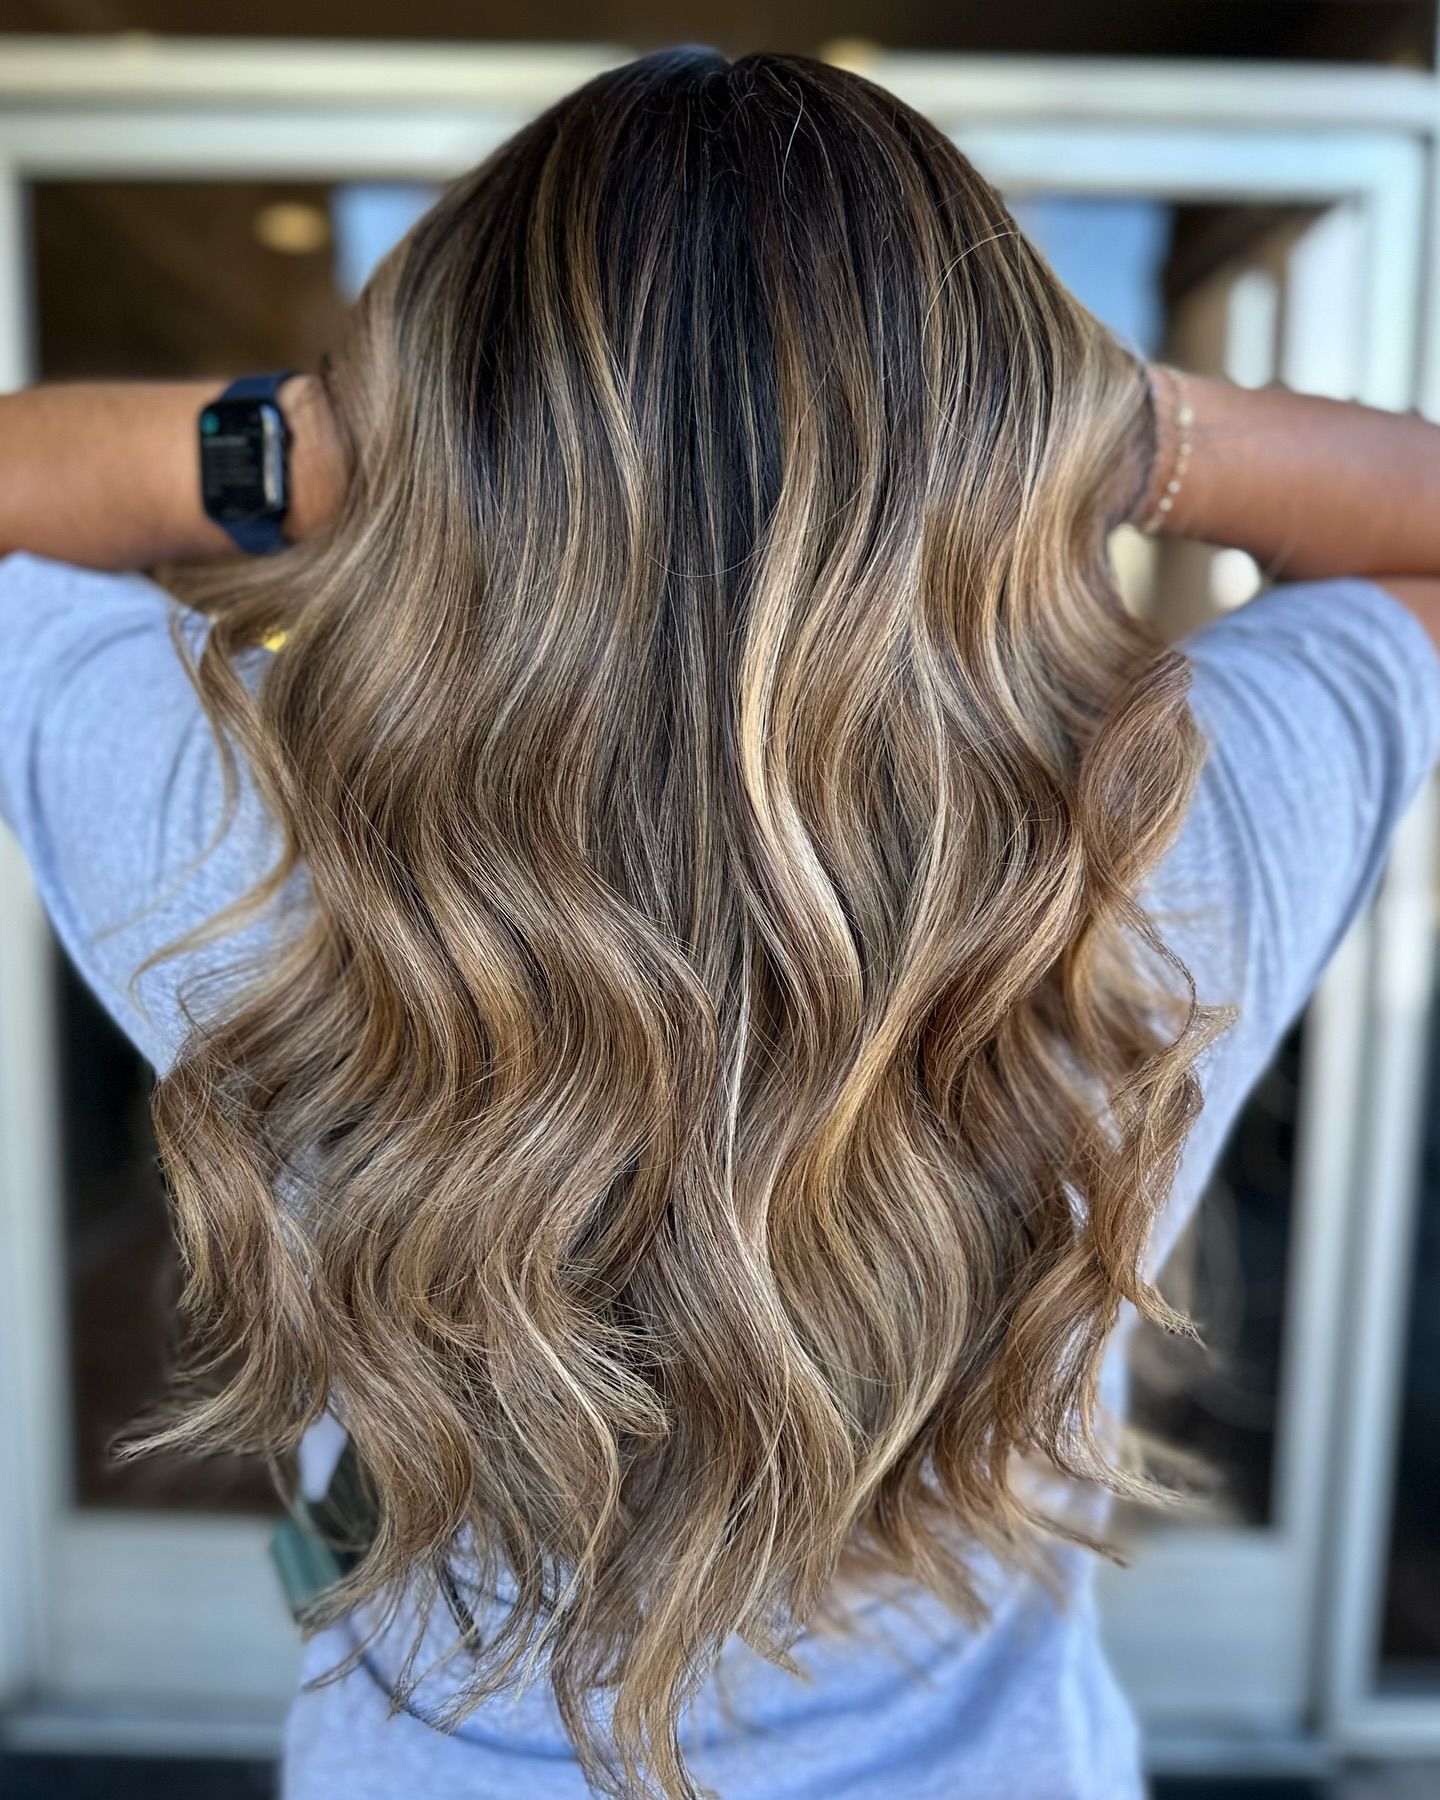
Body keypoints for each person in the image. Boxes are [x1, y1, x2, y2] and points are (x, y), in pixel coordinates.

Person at [3, 45, 1440, 1800]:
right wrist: (1101, 428)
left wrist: (329, 439)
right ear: (1002, 456)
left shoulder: (246, 854)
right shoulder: (1151, 864)